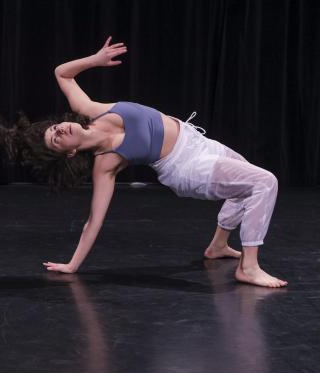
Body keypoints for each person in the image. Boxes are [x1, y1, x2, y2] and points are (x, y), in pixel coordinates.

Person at [32, 37, 286, 288]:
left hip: (197, 142)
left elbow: (62, 74)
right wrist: (72, 265)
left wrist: (96, 59)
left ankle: (218, 246)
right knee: (263, 182)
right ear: (70, 153)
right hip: (186, 167)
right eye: (55, 140)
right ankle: (249, 268)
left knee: (244, 183)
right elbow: (94, 221)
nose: (59, 131)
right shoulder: (105, 164)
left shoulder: (91, 109)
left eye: (55, 128)